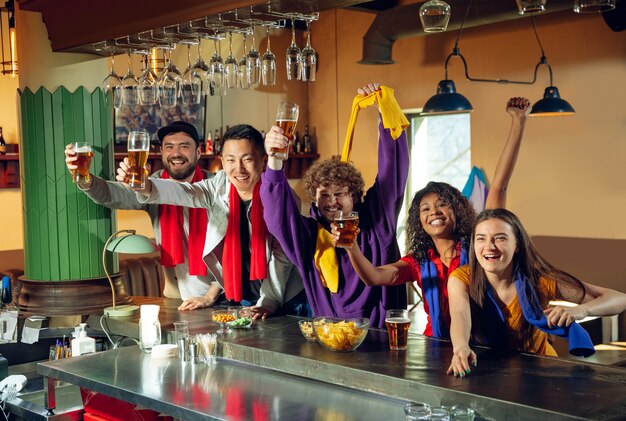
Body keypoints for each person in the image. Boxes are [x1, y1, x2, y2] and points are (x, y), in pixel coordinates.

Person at [339, 97, 532, 337]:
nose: (434, 212)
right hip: (437, 346)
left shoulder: (478, 245)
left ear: (457, 210)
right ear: (418, 220)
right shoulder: (418, 261)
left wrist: (518, 121)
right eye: (425, 209)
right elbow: (374, 277)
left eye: (442, 205)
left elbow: (499, 188)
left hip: (485, 343)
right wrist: (351, 248)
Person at [261, 83, 409, 328]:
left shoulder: (377, 221)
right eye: (324, 194)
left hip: (381, 338)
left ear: (354, 194)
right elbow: (278, 217)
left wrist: (385, 111)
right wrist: (274, 159)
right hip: (330, 337)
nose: (332, 202)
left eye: (340, 193)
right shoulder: (308, 235)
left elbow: (392, 171)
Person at [129, 124, 309, 320]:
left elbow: (282, 256)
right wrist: (145, 186)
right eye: (231, 160)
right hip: (246, 298)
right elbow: (183, 192)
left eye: (247, 159)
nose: (239, 169)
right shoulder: (218, 188)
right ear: (222, 162)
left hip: (289, 298)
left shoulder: (279, 196)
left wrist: (268, 302)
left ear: (263, 160)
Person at [447, 208, 626, 377]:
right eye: (481, 238)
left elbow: (620, 299)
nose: (489, 246)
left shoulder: (540, 280)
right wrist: (461, 347)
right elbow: (460, 315)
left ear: (517, 245)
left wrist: (581, 311)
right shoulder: (461, 278)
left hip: (540, 373)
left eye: (500, 238)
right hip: (488, 370)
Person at [65, 121, 222, 311]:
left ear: (198, 152)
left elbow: (236, 248)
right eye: (169, 147)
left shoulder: (215, 186)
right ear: (162, 153)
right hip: (175, 299)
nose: (176, 153)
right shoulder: (150, 184)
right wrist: (84, 177)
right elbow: (113, 195)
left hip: (219, 298)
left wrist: (210, 295)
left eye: (184, 146)